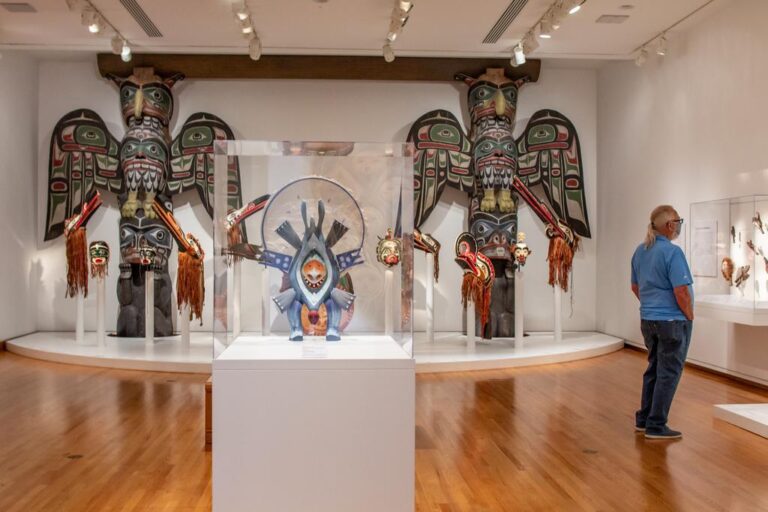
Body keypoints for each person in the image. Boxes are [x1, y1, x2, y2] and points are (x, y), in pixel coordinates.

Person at [630, 205, 693, 440]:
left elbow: (635, 287)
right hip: (672, 321)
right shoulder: (672, 253)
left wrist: (651, 306)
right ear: (669, 225)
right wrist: (689, 315)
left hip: (649, 320)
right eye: (678, 221)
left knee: (654, 368)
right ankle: (656, 424)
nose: (679, 225)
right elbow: (681, 291)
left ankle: (644, 419)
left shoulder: (641, 251)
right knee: (669, 372)